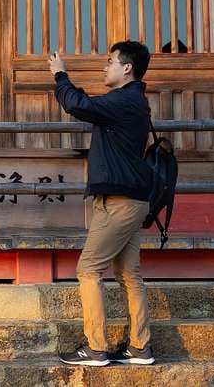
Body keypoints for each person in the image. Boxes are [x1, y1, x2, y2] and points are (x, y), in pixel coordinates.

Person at [49, 41, 156, 366]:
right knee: (128, 273)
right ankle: (140, 347)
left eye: (110, 62)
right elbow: (89, 107)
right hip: (132, 198)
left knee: (89, 269)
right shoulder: (133, 100)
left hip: (119, 201)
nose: (104, 67)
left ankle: (96, 348)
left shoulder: (124, 100)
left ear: (127, 68)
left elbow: (77, 105)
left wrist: (60, 76)